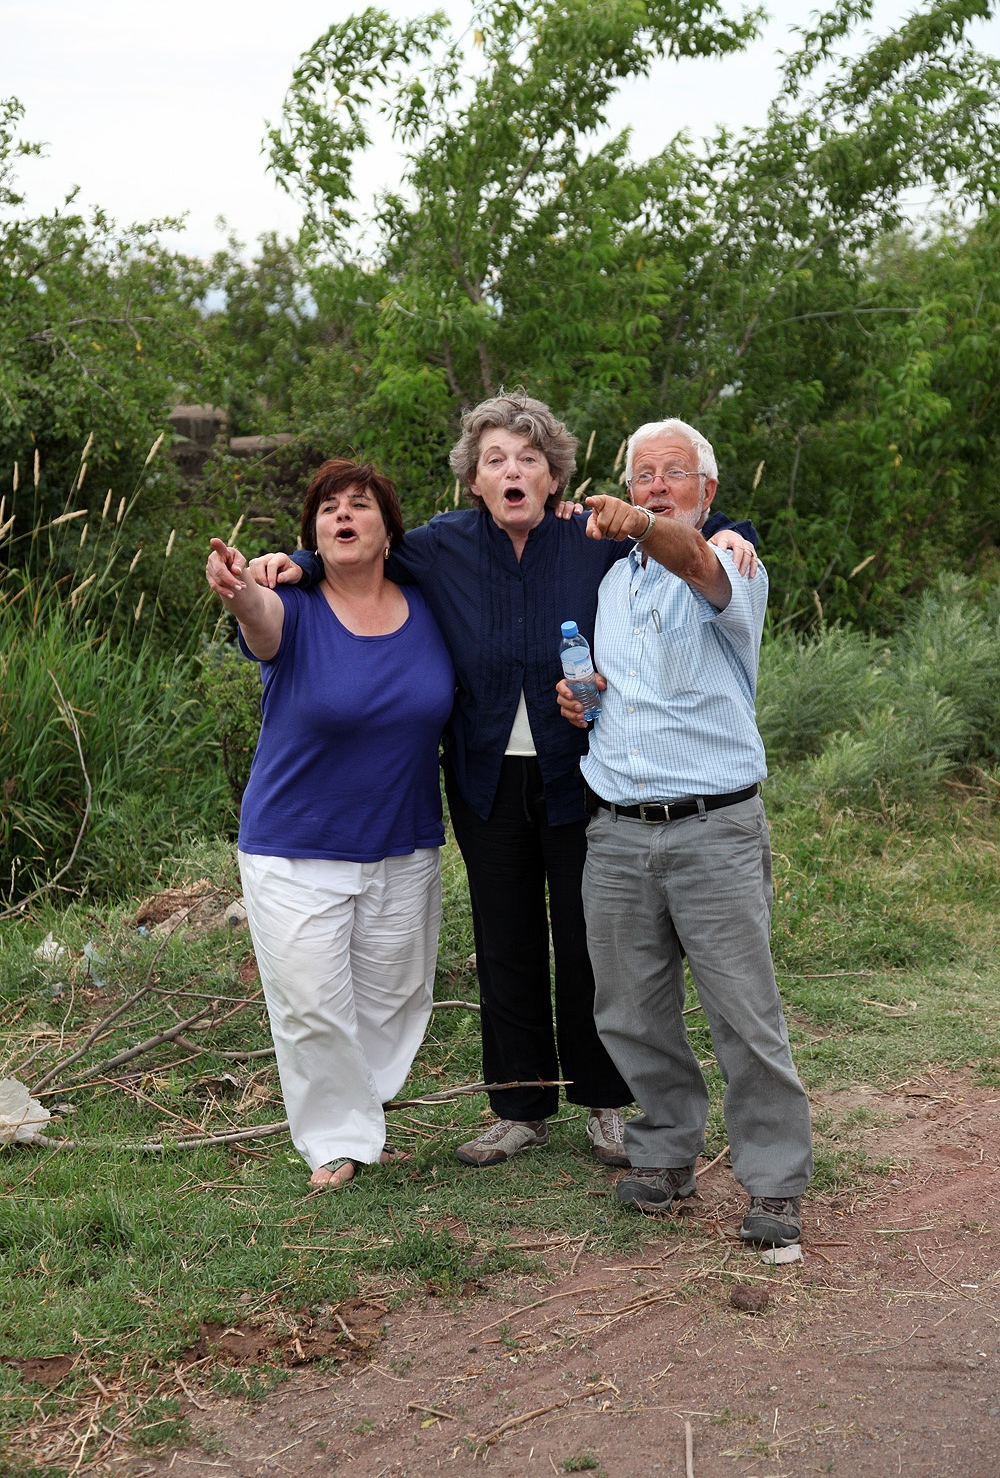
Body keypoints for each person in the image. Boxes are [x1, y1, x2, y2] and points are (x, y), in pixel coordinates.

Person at [232, 394, 758, 1170]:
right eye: (495, 461)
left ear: (555, 479)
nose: (513, 471)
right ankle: (519, 1107)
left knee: (588, 945)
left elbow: (673, 547)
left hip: (581, 772)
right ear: (473, 482)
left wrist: (731, 533)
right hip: (482, 779)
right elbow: (361, 555)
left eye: (530, 459)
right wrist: (300, 562)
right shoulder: (440, 547)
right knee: (504, 940)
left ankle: (606, 1104)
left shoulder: (591, 539)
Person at [557, 418, 813, 1247]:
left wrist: (644, 528)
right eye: (642, 476)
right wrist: (584, 703)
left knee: (744, 1012)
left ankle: (774, 1182)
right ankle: (665, 1153)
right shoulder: (609, 586)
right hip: (619, 831)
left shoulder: (732, 563)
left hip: (714, 829)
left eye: (674, 473)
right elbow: (617, 693)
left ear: (709, 492)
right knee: (631, 1011)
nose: (656, 485)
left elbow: (692, 560)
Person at [205, 459, 455, 1189]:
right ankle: (336, 1142)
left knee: (394, 998)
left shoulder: (428, 602)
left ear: (387, 530)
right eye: (328, 509)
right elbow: (258, 618)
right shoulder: (293, 604)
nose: (343, 516)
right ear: (313, 530)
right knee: (312, 1005)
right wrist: (241, 589)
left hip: (403, 841)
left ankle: (361, 1117)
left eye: (360, 506)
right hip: (295, 844)